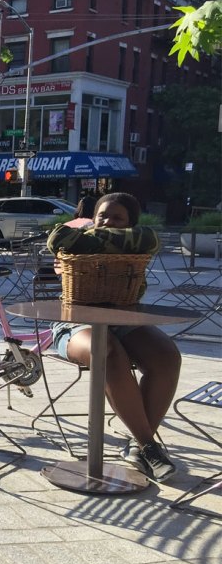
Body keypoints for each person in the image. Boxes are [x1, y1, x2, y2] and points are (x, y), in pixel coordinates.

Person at [47, 192, 178, 481]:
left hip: (123, 320)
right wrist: (100, 235)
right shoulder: (77, 240)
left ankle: (137, 446)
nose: (107, 221)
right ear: (93, 217)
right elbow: (57, 240)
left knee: (167, 356)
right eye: (102, 215)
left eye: (117, 218)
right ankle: (148, 447)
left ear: (131, 223)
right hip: (73, 323)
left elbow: (150, 239)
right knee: (106, 350)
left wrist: (99, 238)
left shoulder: (132, 244)